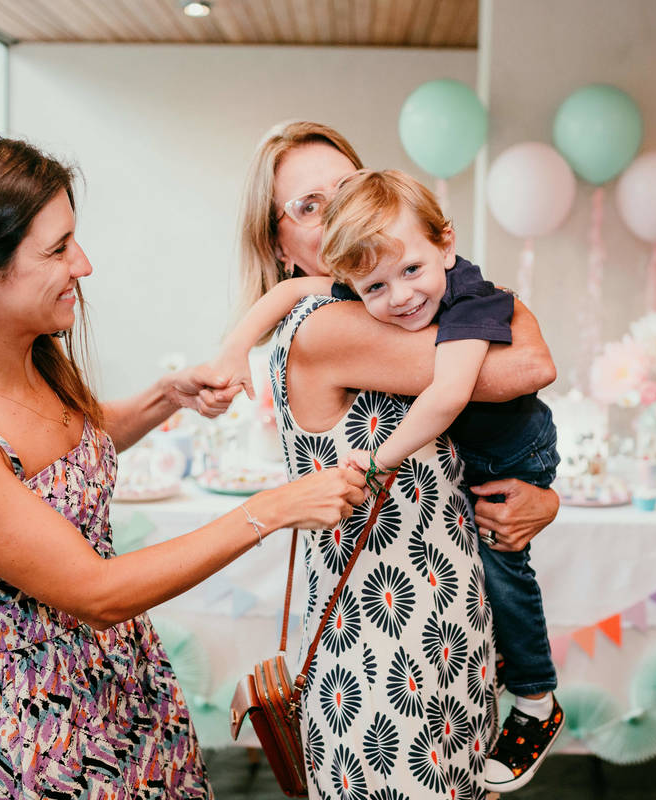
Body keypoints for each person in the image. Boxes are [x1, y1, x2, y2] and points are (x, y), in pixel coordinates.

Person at [0, 130, 366, 799]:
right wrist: (273, 508)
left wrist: (167, 397)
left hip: (126, 687)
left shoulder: (33, 350)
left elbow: (66, 445)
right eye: (56, 249)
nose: (84, 264)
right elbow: (94, 593)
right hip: (41, 732)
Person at [228, 121, 560, 797]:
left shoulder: (382, 307)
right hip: (383, 660)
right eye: (308, 207)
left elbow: (462, 450)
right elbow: (526, 364)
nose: (337, 213)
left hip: (449, 635)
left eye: (346, 190)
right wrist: (487, 300)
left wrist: (539, 495)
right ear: (280, 243)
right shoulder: (335, 326)